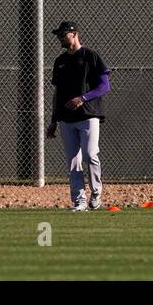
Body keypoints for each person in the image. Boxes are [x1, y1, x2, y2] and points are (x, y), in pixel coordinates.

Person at [47, 21, 112, 211]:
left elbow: (104, 86)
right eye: (58, 35)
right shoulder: (60, 61)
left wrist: (82, 98)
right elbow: (57, 94)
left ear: (74, 34)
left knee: (90, 154)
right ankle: (79, 200)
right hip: (67, 118)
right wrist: (53, 121)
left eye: (63, 34)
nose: (60, 37)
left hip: (88, 115)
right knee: (73, 161)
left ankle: (96, 192)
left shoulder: (90, 56)